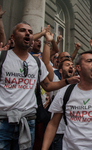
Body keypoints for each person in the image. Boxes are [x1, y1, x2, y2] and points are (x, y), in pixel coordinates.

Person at [0, 22, 79, 150]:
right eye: (23, 30)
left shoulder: (36, 62)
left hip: (28, 122)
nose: (27, 34)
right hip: (3, 122)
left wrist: (67, 81)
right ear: (13, 37)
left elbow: (47, 85)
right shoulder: (3, 57)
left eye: (30, 32)